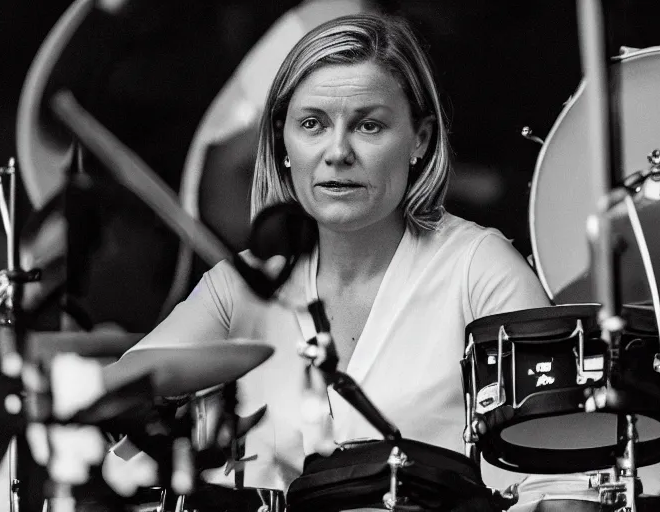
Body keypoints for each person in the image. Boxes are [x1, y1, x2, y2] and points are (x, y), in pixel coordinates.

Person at [111, 12, 549, 498]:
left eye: (368, 125)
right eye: (313, 124)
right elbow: (109, 407)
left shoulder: (479, 270)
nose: (337, 151)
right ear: (283, 142)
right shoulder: (237, 287)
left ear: (420, 140)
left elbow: (565, 482)